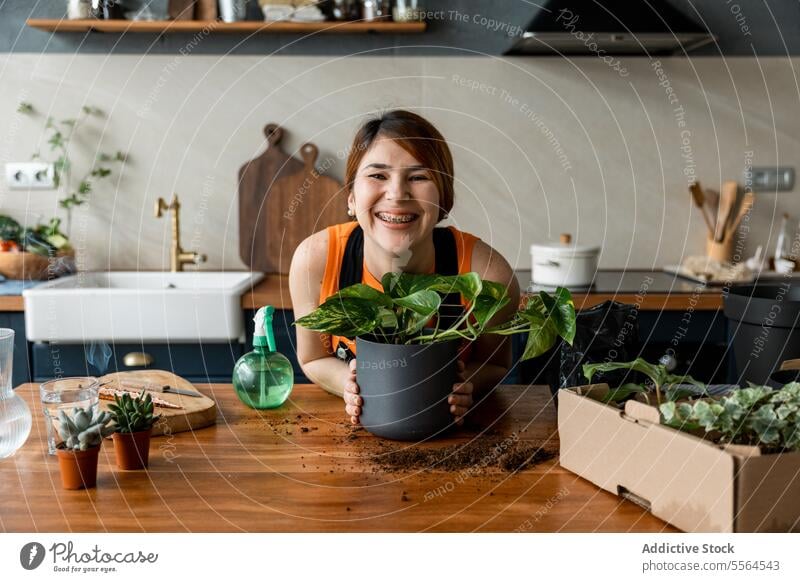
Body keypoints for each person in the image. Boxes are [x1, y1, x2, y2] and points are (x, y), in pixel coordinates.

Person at [289, 110, 520, 425]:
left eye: (418, 177)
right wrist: (351, 384)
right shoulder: (314, 261)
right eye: (378, 175)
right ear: (351, 198)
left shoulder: (488, 276)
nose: (397, 194)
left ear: (444, 198)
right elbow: (313, 357)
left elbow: (494, 364)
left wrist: (466, 386)